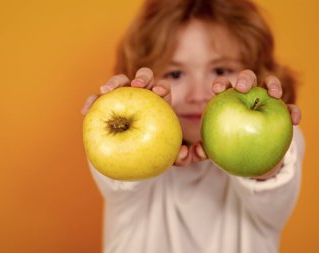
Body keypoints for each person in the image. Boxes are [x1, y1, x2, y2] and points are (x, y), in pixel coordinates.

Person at [82, 0, 305, 252]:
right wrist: (111, 110)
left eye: (221, 69)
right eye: (175, 74)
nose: (198, 95)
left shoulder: (283, 143)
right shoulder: (130, 169)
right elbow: (114, 171)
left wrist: (269, 158)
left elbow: (275, 186)